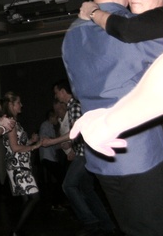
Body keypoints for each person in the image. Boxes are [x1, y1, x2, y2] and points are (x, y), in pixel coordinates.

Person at [62, 0, 163, 236]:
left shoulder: (70, 35)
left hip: (99, 154)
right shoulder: (135, 27)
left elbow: (76, 90)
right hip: (140, 150)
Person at [43, 81, 116, 235]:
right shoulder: (74, 106)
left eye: (56, 92)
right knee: (87, 190)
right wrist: (70, 144)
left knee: (68, 186)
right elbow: (79, 133)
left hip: (84, 154)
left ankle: (90, 221)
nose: (56, 96)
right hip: (85, 153)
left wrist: (52, 141)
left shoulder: (74, 106)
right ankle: (107, 224)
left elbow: (75, 132)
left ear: (63, 91)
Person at [0, 91, 41, 236]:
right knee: (34, 197)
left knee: (27, 198)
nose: (21, 105)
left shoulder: (14, 122)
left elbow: (19, 144)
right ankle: (15, 230)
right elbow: (15, 148)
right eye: (18, 103)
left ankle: (18, 229)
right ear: (11, 105)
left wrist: (30, 141)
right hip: (18, 165)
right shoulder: (10, 123)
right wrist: (34, 146)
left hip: (20, 164)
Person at [38, 108, 65, 211]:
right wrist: (59, 140)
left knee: (61, 178)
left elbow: (53, 144)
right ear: (51, 117)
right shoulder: (45, 125)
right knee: (61, 177)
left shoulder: (51, 127)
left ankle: (57, 202)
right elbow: (44, 140)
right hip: (47, 157)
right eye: (56, 117)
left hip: (51, 158)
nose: (57, 119)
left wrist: (61, 145)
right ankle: (56, 203)